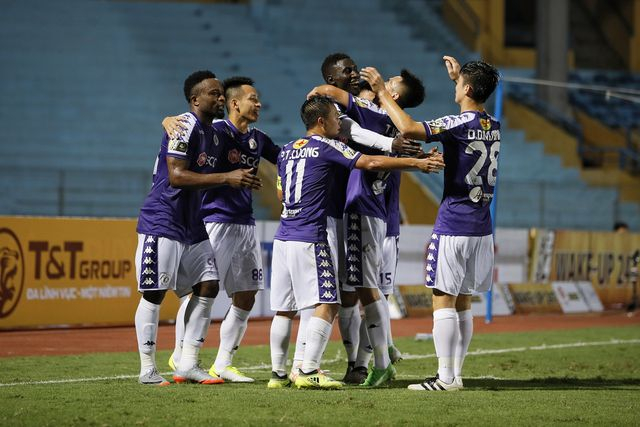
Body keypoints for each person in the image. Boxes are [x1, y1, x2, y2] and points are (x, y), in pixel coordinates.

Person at [267, 95, 444, 390]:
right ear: (321, 121)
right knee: (329, 302)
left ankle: (279, 374)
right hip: (312, 235)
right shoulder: (327, 145)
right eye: (335, 118)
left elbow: (281, 193)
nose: (341, 123)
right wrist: (417, 163)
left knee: (286, 308)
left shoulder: (286, 150)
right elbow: (370, 161)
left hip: (284, 235)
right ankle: (309, 369)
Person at [361, 56, 500, 391]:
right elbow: (469, 117)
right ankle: (456, 374)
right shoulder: (493, 124)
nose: (455, 86)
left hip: (454, 223)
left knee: (443, 299)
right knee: (463, 301)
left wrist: (382, 91)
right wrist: (461, 79)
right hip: (481, 226)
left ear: (468, 89)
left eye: (459, 83)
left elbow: (409, 128)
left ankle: (445, 377)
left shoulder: (457, 123)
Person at [134, 70, 261, 386]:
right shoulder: (184, 125)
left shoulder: (213, 133)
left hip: (193, 224)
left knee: (208, 286)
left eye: (221, 94)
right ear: (195, 100)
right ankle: (147, 369)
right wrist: (227, 178)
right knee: (154, 293)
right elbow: (177, 176)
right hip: (163, 220)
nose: (220, 98)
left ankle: (188, 363)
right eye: (213, 94)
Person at [312, 62, 427, 387]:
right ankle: (373, 356)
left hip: (364, 209)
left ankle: (374, 361)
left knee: (364, 292)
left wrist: (321, 93)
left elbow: (328, 92)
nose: (383, 81)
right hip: (382, 218)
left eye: (390, 82)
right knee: (369, 292)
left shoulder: (377, 114)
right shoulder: (402, 127)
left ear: (392, 95)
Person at [163, 77, 280, 383]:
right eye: (253, 99)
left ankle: (223, 363)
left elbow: (285, 158)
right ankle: (180, 353)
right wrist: (168, 120)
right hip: (214, 220)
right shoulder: (215, 131)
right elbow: (185, 132)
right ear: (234, 103)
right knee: (200, 291)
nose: (259, 104)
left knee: (247, 294)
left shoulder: (258, 139)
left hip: (245, 223)